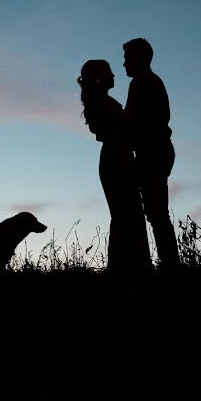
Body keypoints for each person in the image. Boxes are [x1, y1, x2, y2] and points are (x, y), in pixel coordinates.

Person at [78, 59, 151, 272]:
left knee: (126, 215)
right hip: (116, 158)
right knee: (126, 215)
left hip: (116, 156)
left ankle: (126, 268)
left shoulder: (102, 101)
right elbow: (125, 128)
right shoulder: (103, 103)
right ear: (99, 77)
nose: (114, 75)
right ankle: (129, 269)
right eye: (109, 72)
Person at [122, 38, 180, 270]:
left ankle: (170, 266)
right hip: (156, 151)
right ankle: (168, 264)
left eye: (127, 58)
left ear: (139, 58)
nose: (124, 64)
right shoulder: (149, 81)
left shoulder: (142, 82)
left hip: (153, 153)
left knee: (156, 214)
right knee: (156, 214)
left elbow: (132, 121)